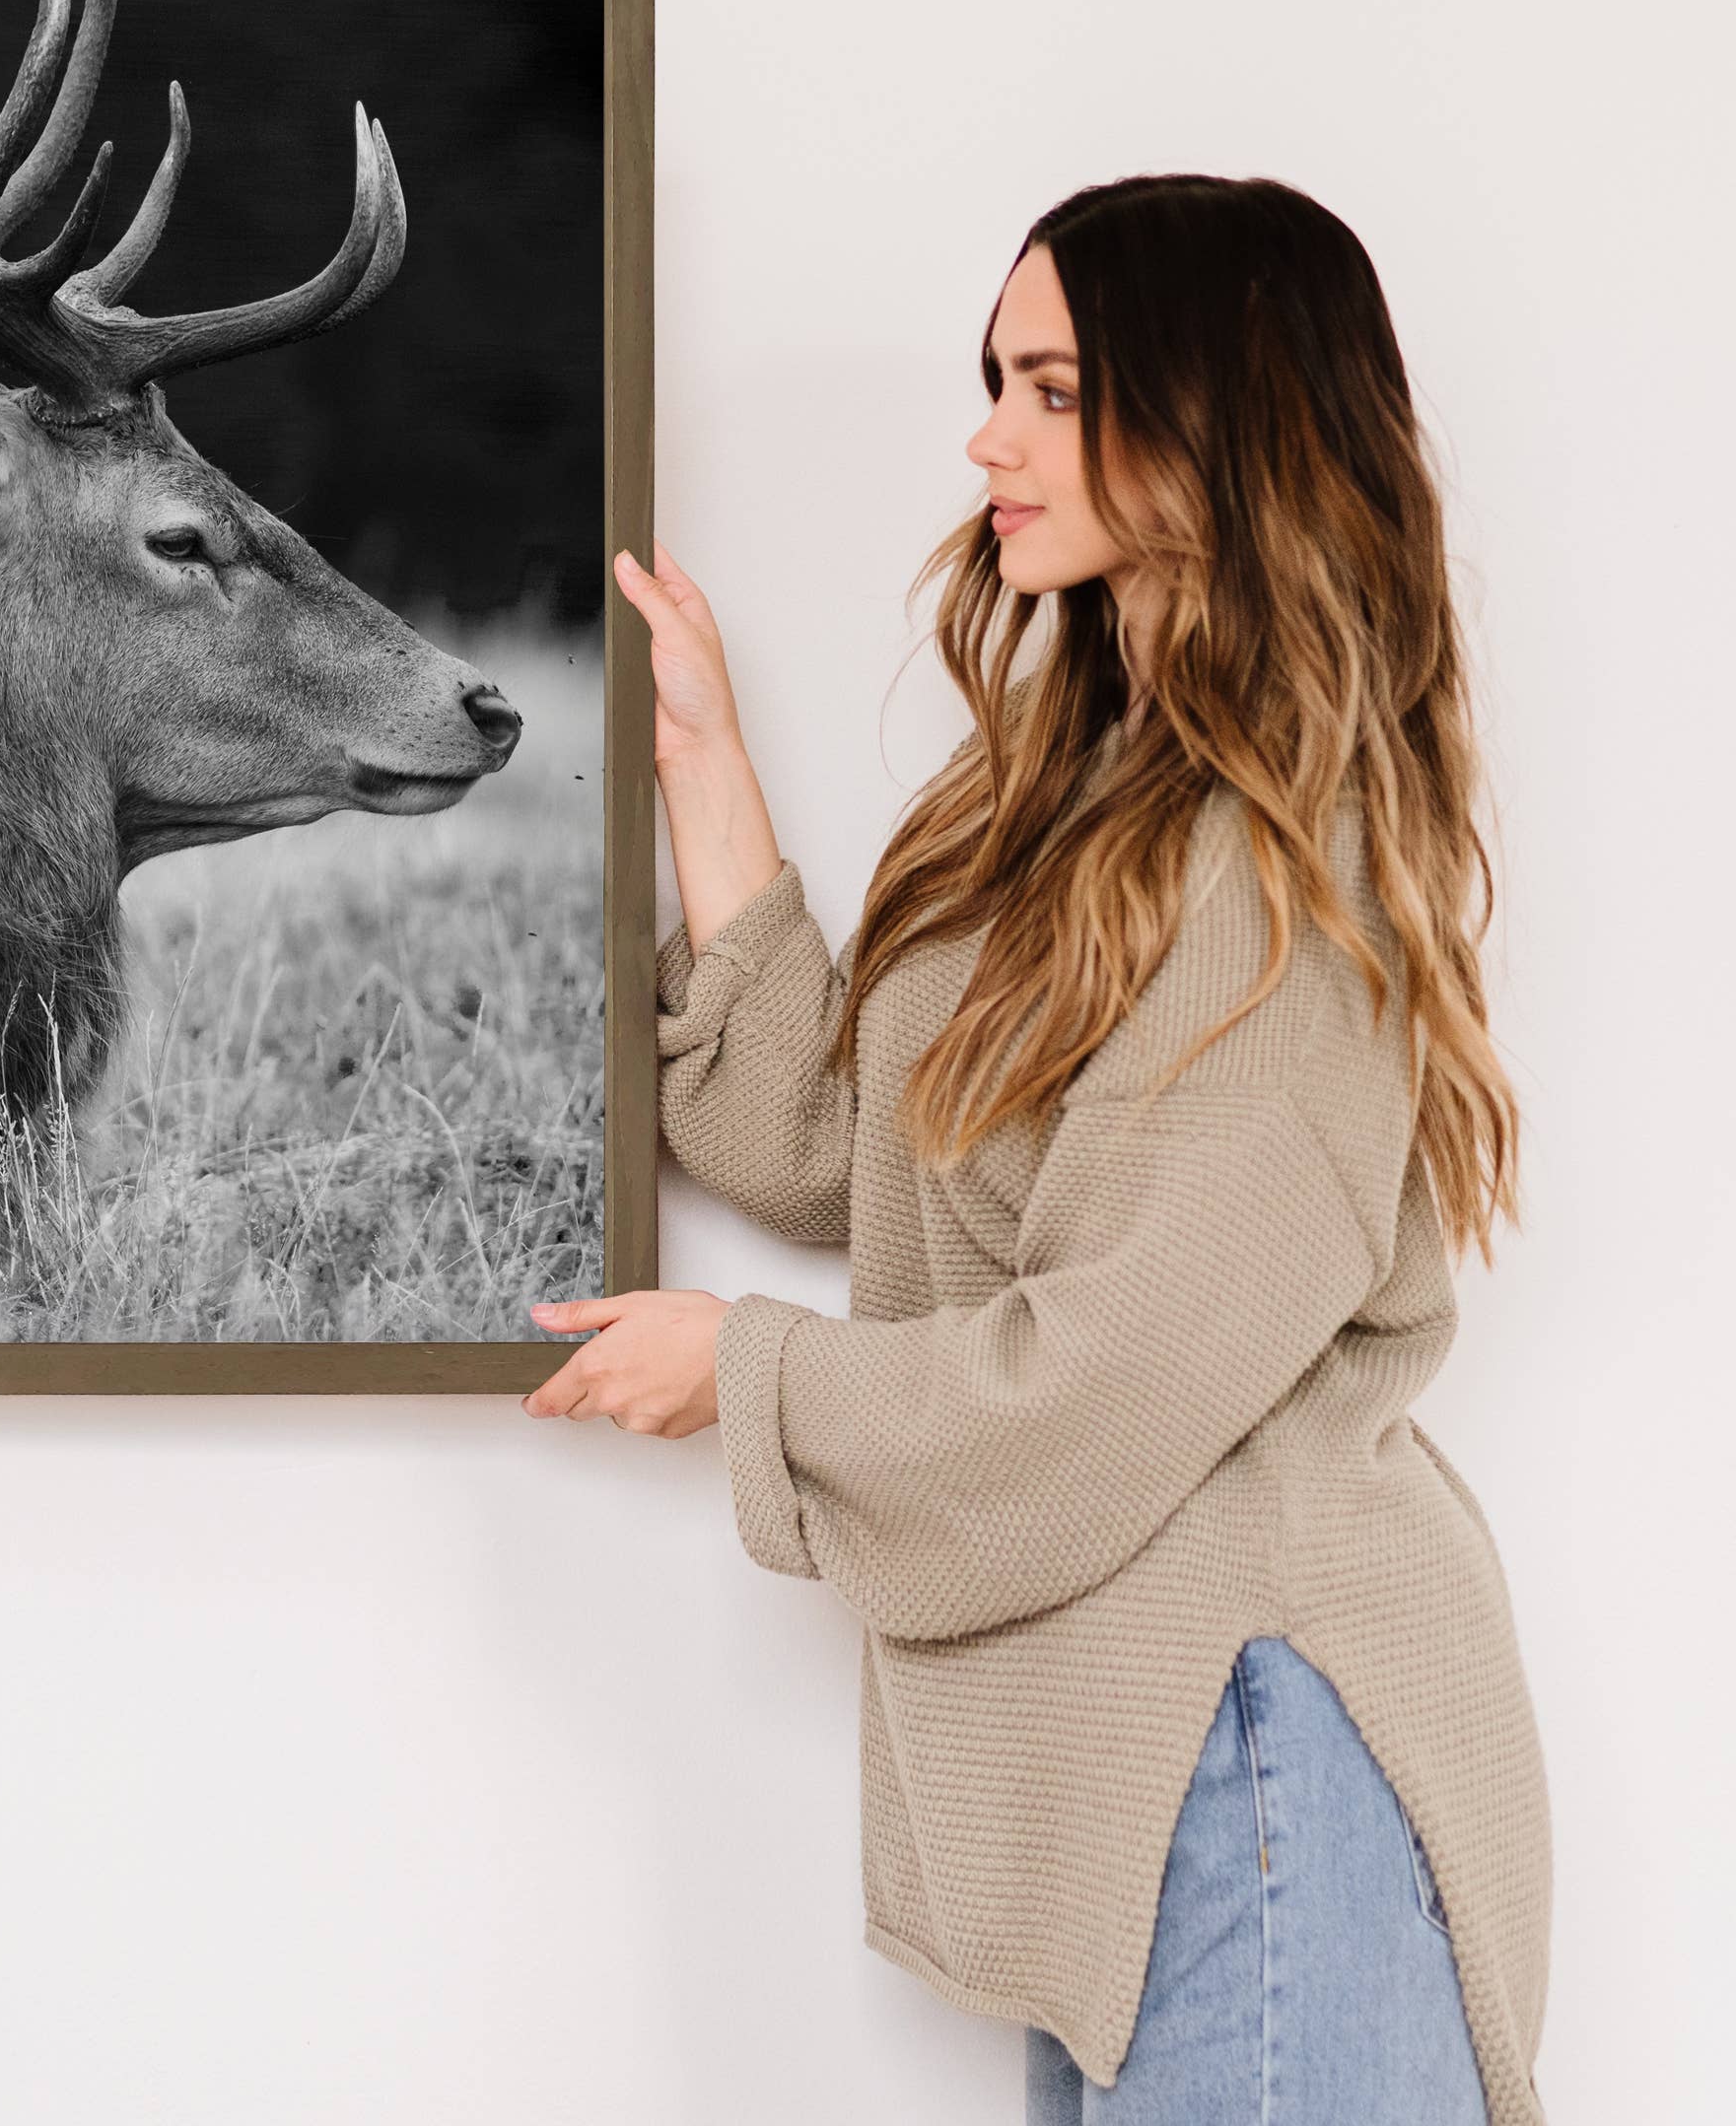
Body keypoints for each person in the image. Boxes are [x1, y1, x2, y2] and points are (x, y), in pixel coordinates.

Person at [523, 176, 1548, 2125]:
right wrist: (704, 768)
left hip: (1257, 1771)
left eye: (1056, 391)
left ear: (1218, 418)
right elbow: (862, 1150)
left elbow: (1102, 1383)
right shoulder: (1080, 810)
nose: (991, 438)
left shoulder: (1278, 886)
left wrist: (742, 1372)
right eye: (996, 381)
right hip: (1148, 1792)